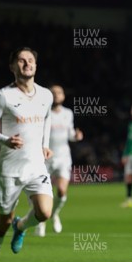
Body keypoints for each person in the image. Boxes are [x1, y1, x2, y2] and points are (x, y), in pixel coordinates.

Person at [0, 47, 54, 262]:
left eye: (31, 60)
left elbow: (47, 119)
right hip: (9, 169)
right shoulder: (3, 96)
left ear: (36, 65)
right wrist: (5, 140)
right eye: (21, 60)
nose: (27, 63)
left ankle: (21, 227)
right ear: (13, 66)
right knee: (3, 222)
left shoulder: (46, 95)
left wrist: (45, 144)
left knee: (44, 212)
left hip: (36, 166)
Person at [35, 85, 83, 236]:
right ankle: (41, 220)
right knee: (42, 193)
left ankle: (54, 214)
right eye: (53, 93)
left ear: (63, 96)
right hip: (45, 157)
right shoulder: (42, 112)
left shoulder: (68, 113)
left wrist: (75, 136)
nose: (56, 95)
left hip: (63, 157)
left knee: (62, 191)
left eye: (59, 92)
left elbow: (69, 133)